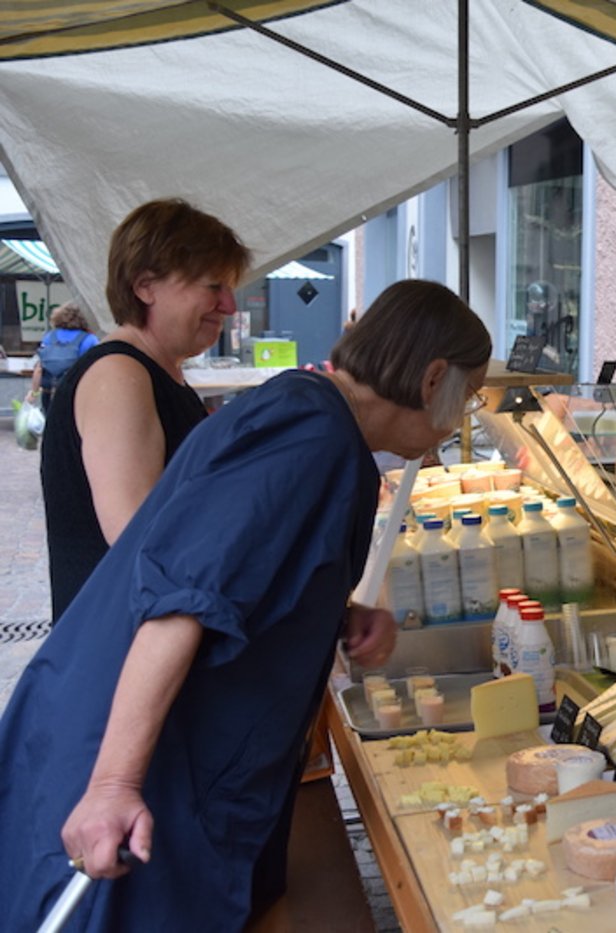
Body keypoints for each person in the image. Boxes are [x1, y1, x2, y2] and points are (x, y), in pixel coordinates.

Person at [0, 279, 492, 931]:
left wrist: (336, 609)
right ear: (432, 379)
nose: (462, 417)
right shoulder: (307, 431)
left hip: (169, 754)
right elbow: (184, 599)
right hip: (131, 755)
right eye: (469, 394)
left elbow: (253, 569)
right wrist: (113, 784)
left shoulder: (318, 420)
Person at [40, 198, 251, 621]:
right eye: (213, 286)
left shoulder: (158, 374)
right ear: (145, 286)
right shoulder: (120, 375)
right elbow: (141, 541)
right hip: (120, 641)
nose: (229, 306)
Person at [29, 302, 99, 414]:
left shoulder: (49, 337)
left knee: (50, 421)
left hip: (49, 391)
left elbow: (39, 369)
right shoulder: (90, 339)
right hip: (76, 392)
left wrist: (33, 393)